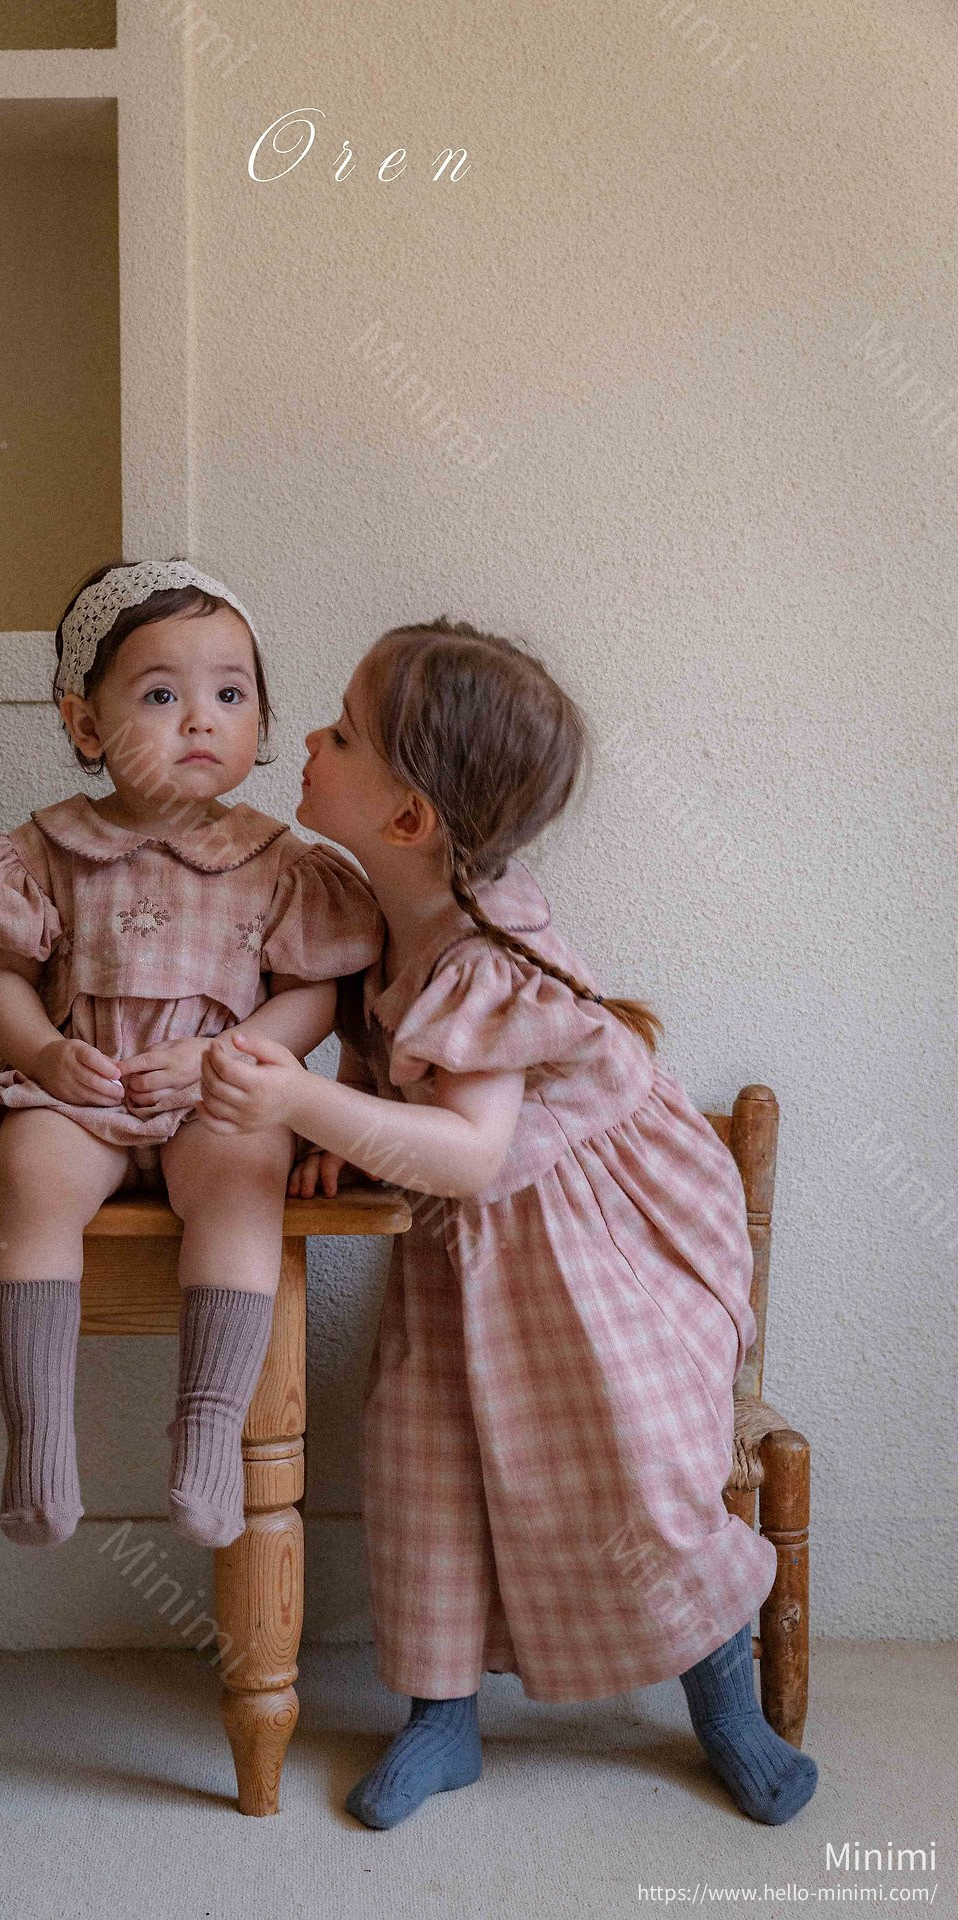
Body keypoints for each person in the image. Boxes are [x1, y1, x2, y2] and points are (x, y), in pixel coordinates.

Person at [199, 615, 819, 1827]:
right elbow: (400, 1085)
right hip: (465, 1260)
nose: (308, 741)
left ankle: (723, 1704)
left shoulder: (487, 958)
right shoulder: (376, 919)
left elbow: (473, 1151)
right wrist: (340, 1133)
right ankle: (440, 1724)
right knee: (421, 1471)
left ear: (407, 817)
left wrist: (302, 1101)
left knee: (636, 1466)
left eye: (341, 733)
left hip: (595, 1256)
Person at [0, 560, 382, 1552]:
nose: (201, 719)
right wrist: (44, 1055)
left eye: (230, 695)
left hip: (213, 1098)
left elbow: (313, 994)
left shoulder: (279, 862)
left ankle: (207, 1429)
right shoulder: (47, 849)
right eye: (162, 696)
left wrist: (228, 1054)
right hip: (82, 1089)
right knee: (29, 1175)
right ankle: (39, 1435)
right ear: (87, 726)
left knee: (245, 1178)